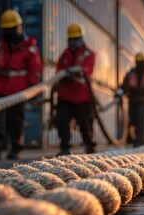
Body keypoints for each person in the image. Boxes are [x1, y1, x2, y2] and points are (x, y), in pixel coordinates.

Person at [0, 10, 42, 160]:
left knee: (15, 121)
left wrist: (33, 88)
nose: (9, 32)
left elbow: (35, 69)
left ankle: (15, 148)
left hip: (18, 90)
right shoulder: (0, 46)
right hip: (0, 88)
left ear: (19, 27)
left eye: (12, 29)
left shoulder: (30, 47)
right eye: (6, 29)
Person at [55, 23, 96, 156]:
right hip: (65, 95)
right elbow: (58, 69)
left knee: (85, 123)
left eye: (75, 39)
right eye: (71, 39)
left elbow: (88, 69)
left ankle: (89, 147)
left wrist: (79, 70)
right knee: (62, 121)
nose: (73, 42)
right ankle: (64, 147)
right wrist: (63, 74)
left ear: (81, 38)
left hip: (82, 96)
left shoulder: (88, 53)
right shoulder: (65, 54)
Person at [116, 53, 144, 147]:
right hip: (132, 100)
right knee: (132, 120)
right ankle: (131, 139)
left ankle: (139, 141)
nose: (140, 64)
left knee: (141, 120)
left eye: (141, 62)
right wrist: (120, 91)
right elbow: (124, 85)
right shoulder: (131, 73)